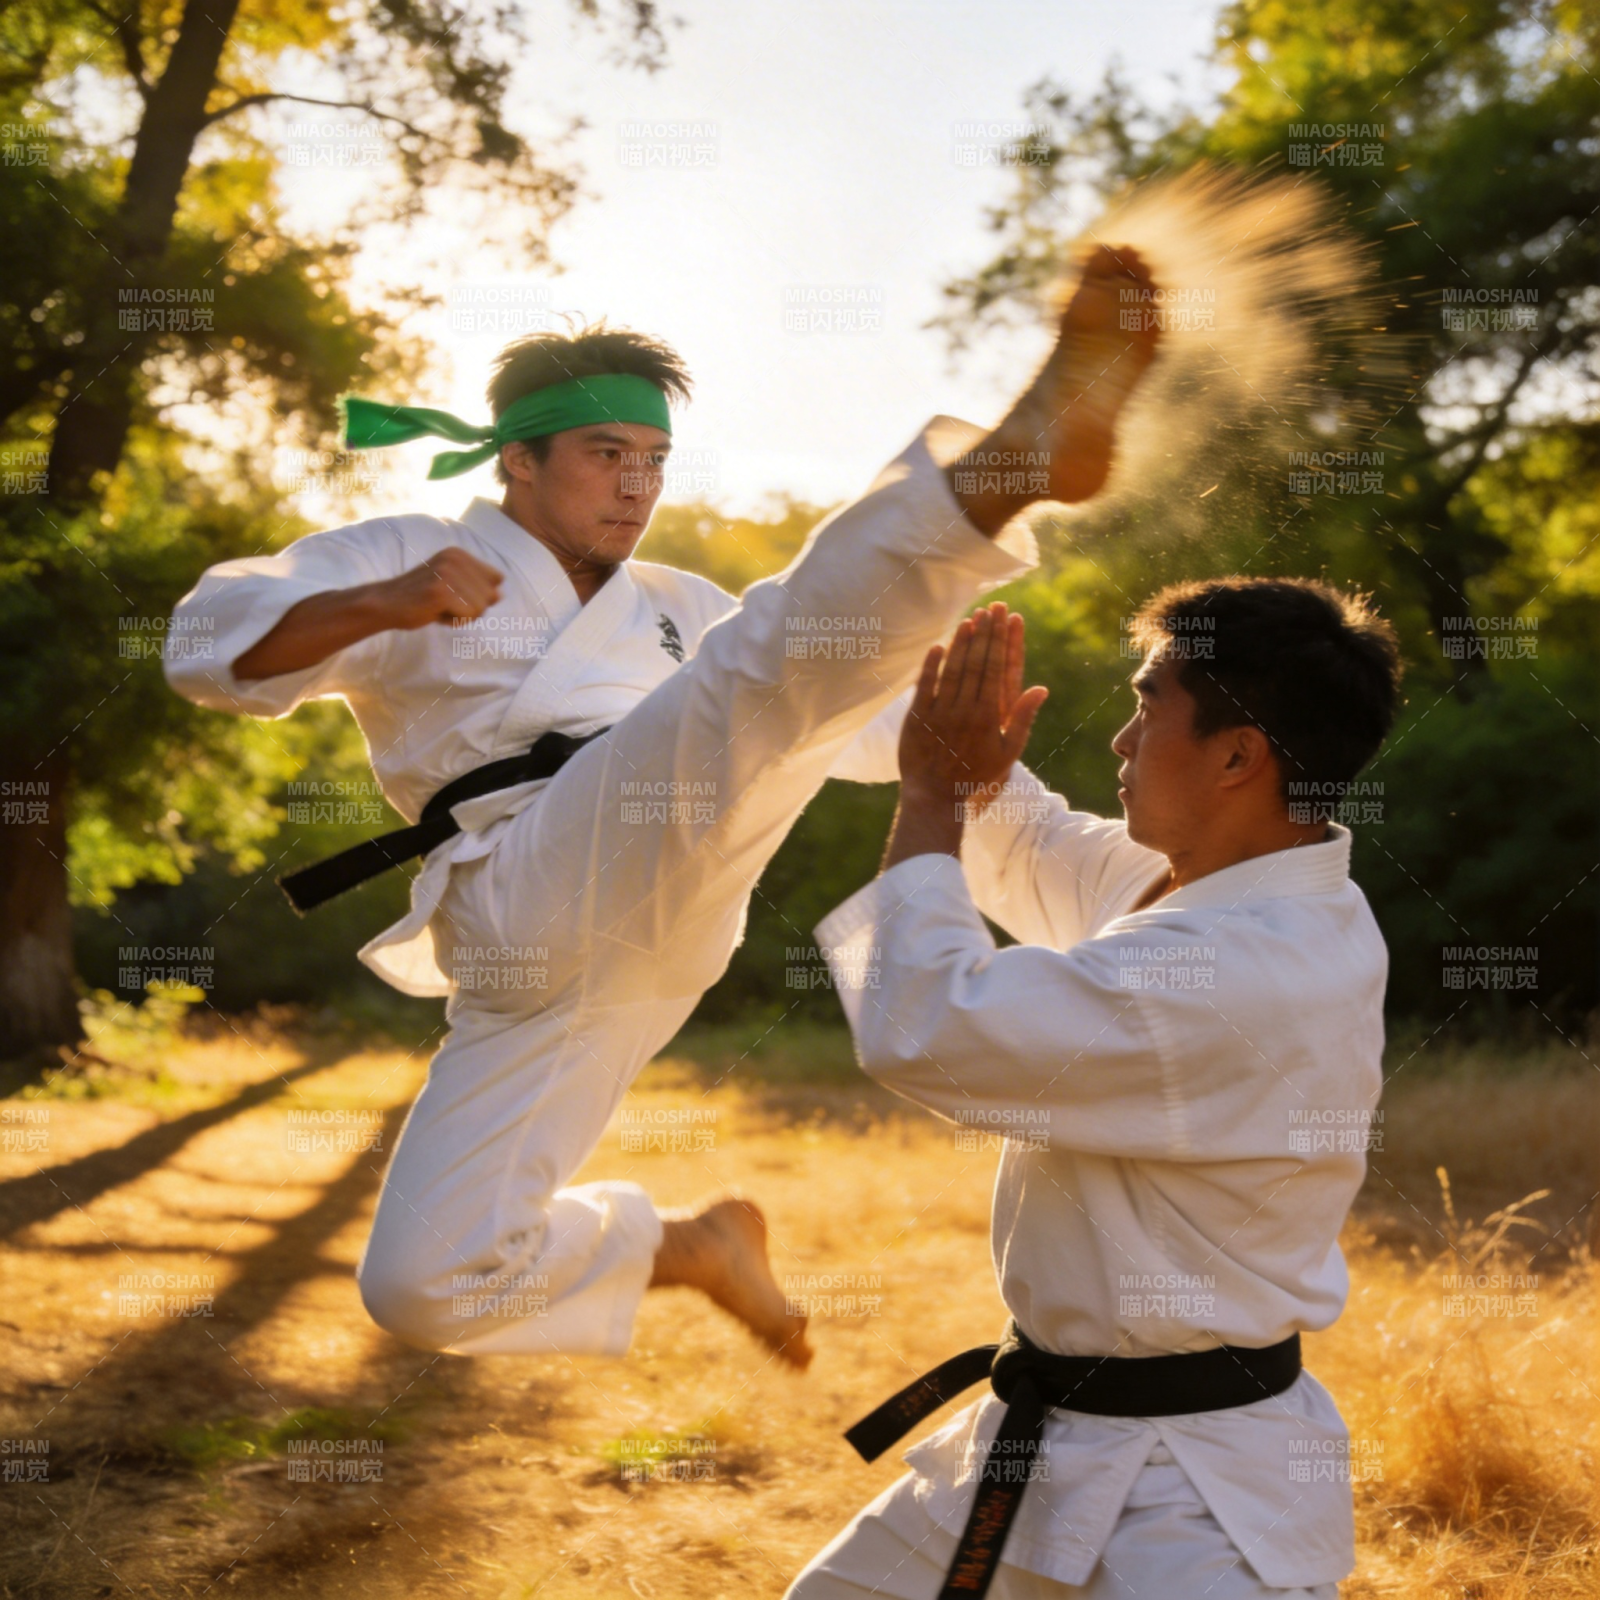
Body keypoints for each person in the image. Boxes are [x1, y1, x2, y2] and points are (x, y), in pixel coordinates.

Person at [162, 257, 1160, 1369]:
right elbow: (205, 646)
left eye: (654, 462)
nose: (637, 488)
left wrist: (980, 766)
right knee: (424, 1285)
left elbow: (847, 725)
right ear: (519, 460)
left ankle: (1132, 867)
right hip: (520, 925)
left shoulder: (681, 608)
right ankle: (690, 1244)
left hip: (657, 901)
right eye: (606, 457)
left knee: (873, 709)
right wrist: (378, 603)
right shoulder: (407, 551)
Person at [790, 580, 1402, 1596]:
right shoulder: (1232, 891)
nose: (1119, 741)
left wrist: (932, 798)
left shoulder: (1239, 969)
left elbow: (926, 1026)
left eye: (1145, 706)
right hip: (1045, 1439)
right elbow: (1043, 854)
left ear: (1238, 756)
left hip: (1191, 1496)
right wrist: (978, 775)